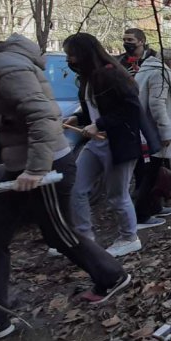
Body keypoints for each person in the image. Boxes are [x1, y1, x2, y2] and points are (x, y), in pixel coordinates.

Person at [0, 9, 129, 341]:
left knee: (59, 234)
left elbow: (41, 116)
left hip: (45, 167)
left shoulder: (3, 65)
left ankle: (111, 275)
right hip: (19, 166)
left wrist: (35, 169)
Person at [62, 33, 147, 258]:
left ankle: (130, 238)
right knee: (76, 188)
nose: (68, 60)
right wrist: (78, 119)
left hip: (119, 144)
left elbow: (130, 109)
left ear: (83, 53)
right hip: (96, 144)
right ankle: (84, 238)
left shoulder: (111, 75)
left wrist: (99, 125)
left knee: (117, 195)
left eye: (71, 54)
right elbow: (96, 109)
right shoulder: (87, 78)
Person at [120, 29, 171, 230]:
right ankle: (142, 214)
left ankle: (155, 206)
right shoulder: (160, 73)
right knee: (149, 175)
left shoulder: (149, 69)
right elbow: (157, 104)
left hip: (147, 129)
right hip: (152, 132)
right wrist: (166, 132)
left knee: (153, 172)